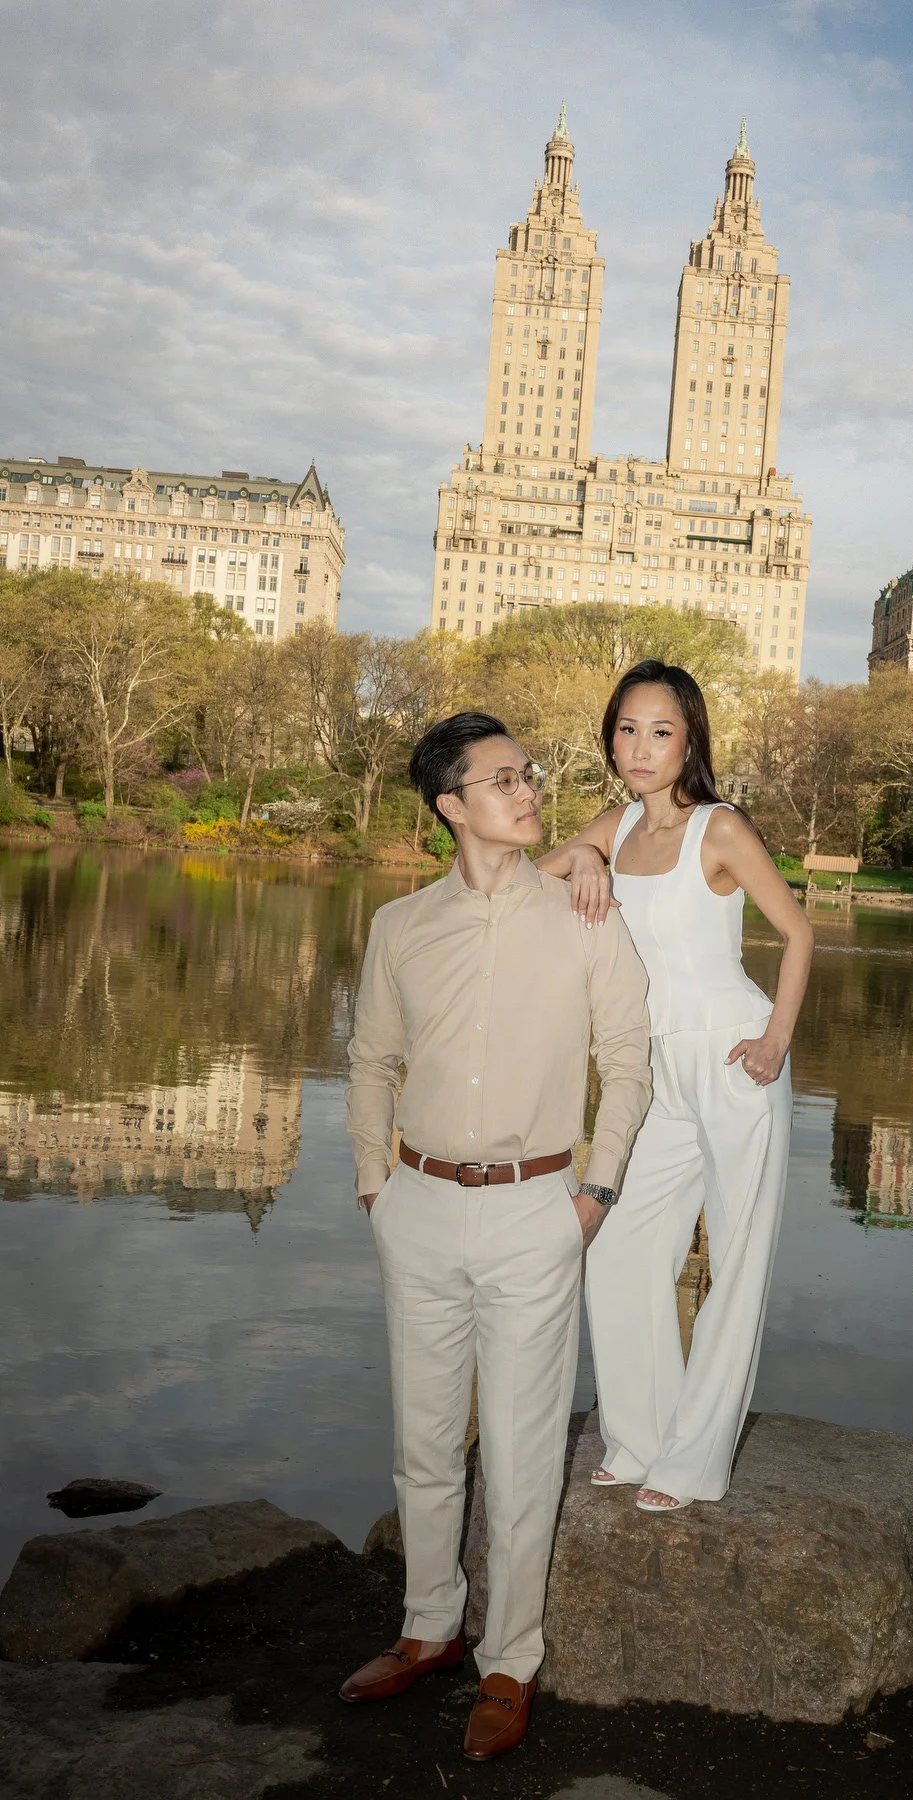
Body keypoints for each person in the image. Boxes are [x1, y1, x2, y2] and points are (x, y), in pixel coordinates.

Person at [343, 712, 651, 1761]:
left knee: (521, 1455)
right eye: (504, 779)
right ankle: (428, 1627)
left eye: (529, 775)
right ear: (451, 806)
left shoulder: (585, 914)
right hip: (419, 1206)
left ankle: (510, 1660)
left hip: (536, 1211)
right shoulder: (399, 926)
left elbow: (628, 1059)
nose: (528, 792)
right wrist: (375, 1187)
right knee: (424, 1444)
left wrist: (594, 1195)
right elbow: (370, 1061)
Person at [538, 661, 814, 1512]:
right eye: (627, 729)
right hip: (651, 1069)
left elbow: (799, 934)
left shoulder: (720, 829)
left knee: (736, 1260)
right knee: (618, 1247)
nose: (640, 747)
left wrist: (776, 1039)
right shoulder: (614, 826)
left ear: (689, 739)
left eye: (660, 731)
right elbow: (526, 886)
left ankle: (694, 1465)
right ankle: (639, 1439)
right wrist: (581, 853)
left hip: (735, 1061)